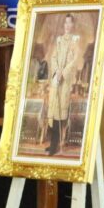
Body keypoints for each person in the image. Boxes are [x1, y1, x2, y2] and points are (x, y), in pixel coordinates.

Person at [45, 13, 80, 155]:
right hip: (56, 79)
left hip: (65, 81)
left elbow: (74, 61)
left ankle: (56, 145)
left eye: (69, 23)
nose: (67, 25)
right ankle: (52, 143)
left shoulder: (75, 41)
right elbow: (53, 57)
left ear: (73, 25)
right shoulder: (59, 40)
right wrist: (56, 71)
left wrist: (63, 72)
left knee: (60, 112)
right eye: (65, 23)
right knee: (53, 111)